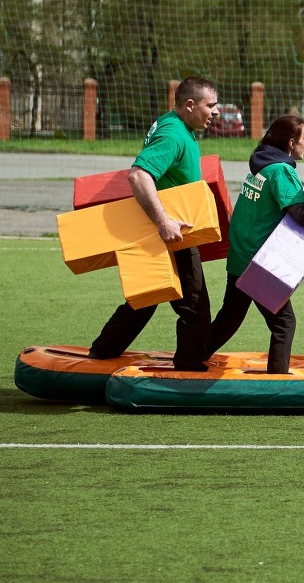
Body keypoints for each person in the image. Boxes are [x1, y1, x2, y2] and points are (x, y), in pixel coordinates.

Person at [88, 76, 220, 371]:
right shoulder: (173, 134)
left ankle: (102, 352)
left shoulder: (176, 123)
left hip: (159, 230)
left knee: (145, 299)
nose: (216, 112)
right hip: (170, 232)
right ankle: (189, 367)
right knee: (195, 306)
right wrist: (164, 221)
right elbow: (138, 175)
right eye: (210, 105)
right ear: (189, 104)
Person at [202, 116, 304, 374]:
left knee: (229, 319)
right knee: (284, 323)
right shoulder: (280, 171)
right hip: (257, 262)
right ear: (291, 143)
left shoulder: (262, 166)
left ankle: (192, 356)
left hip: (239, 256)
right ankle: (277, 379)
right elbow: (299, 211)